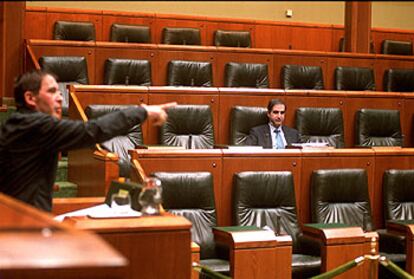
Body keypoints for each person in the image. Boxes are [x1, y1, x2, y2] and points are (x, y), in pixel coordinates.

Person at [0, 70, 176, 212]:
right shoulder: (35, 126)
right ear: (30, 98)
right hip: (22, 227)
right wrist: (142, 112)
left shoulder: (19, 124)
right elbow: (93, 131)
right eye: (52, 91)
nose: (60, 98)